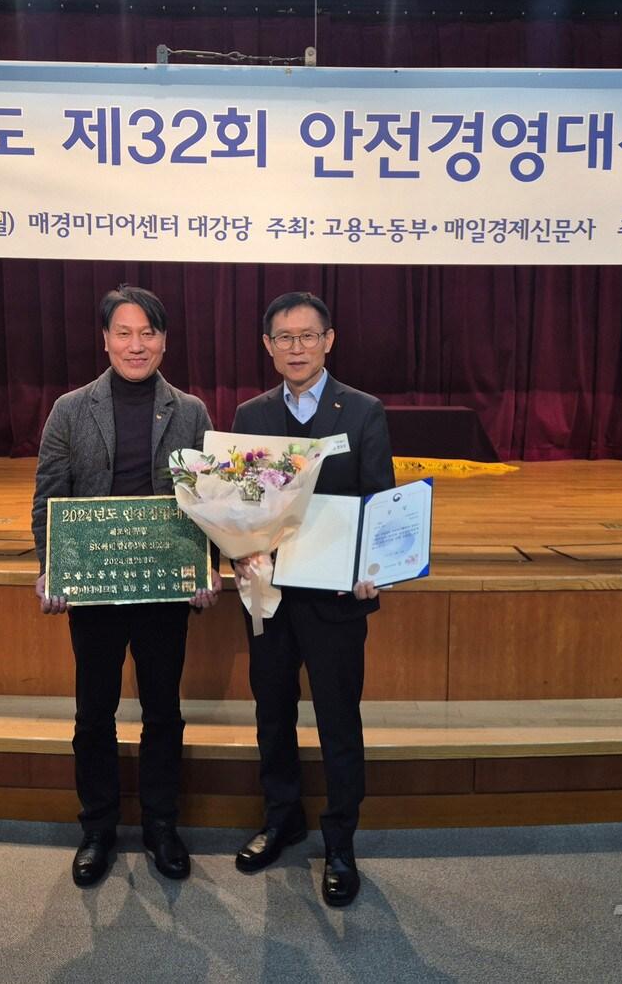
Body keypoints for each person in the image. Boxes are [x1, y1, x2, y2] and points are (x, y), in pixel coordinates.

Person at [31, 286, 218, 888]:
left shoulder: (191, 411)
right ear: (105, 340)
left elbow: (208, 502)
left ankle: (162, 825)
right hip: (95, 587)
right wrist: (53, 567)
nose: (136, 345)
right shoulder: (69, 409)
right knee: (94, 713)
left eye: (148, 333)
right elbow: (49, 498)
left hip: (164, 590)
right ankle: (98, 828)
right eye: (124, 333)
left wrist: (206, 566)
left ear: (164, 341)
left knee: (164, 711)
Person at [230, 291, 394, 908]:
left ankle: (341, 844)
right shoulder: (250, 414)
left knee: (337, 721)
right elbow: (238, 503)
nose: (295, 348)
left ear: (329, 340)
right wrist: (237, 549)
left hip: (337, 599)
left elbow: (379, 500)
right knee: (272, 714)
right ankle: (281, 820)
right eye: (283, 337)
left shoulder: (363, 411)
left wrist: (374, 566)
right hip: (269, 598)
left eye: (307, 336)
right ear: (268, 346)